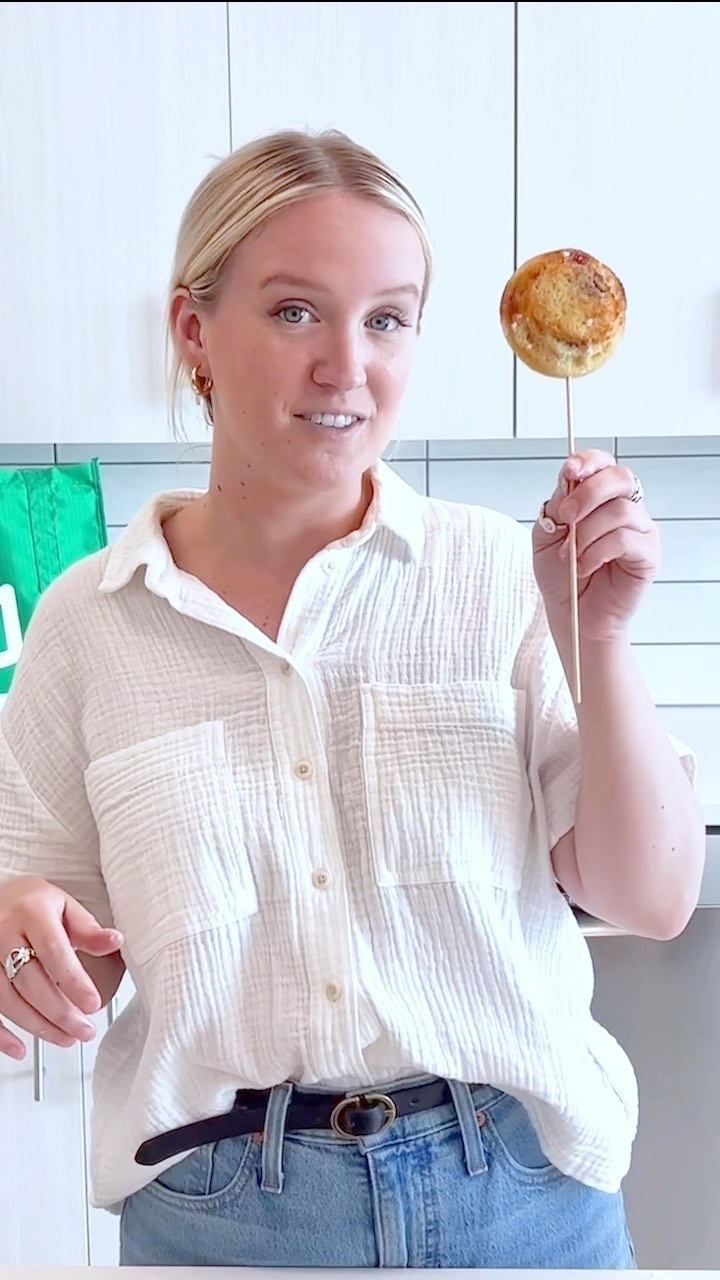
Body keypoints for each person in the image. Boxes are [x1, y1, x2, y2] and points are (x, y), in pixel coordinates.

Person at [0, 127, 705, 1270]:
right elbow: (67, 941)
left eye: (387, 319)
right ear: (193, 330)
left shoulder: (502, 574)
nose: (347, 366)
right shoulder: (88, 621)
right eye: (295, 313)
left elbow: (653, 893)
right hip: (222, 1214)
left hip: (524, 1202)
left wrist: (602, 637)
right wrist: (24, 929)